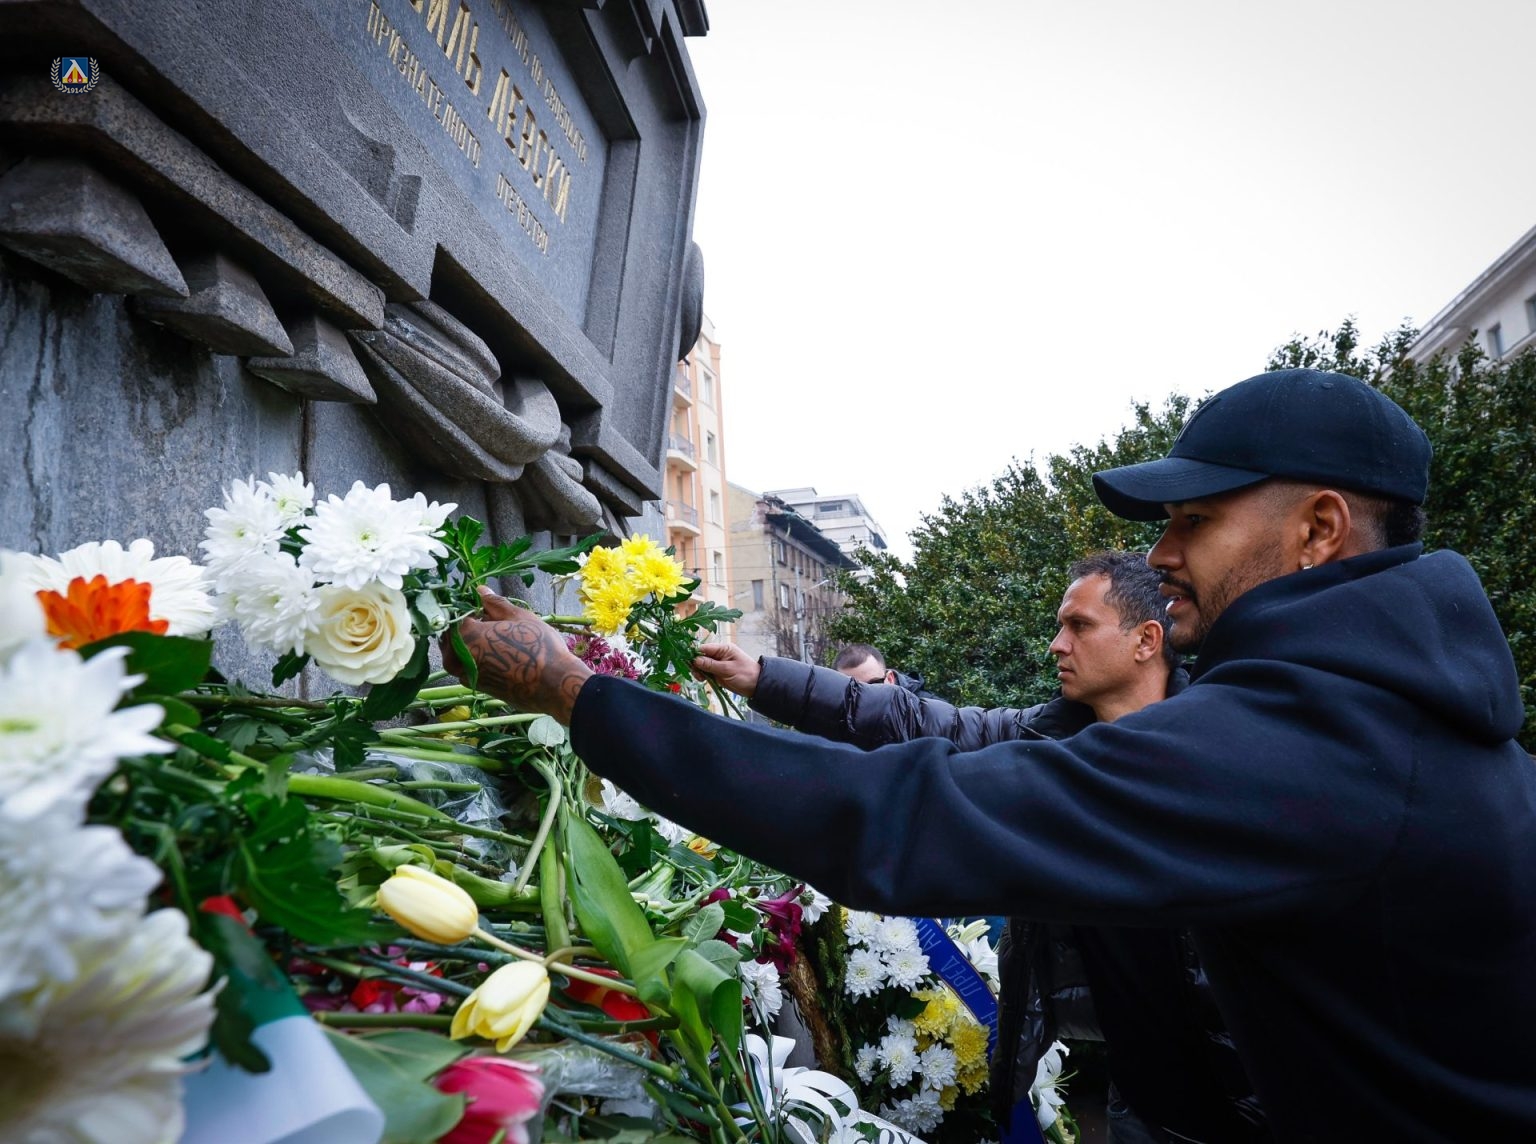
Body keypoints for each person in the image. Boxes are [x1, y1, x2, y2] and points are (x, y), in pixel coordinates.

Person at [445, 368, 1536, 1139]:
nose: (1162, 554)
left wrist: (579, 696)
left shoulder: (1308, 740)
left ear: (1319, 529)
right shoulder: (1392, 709)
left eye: (1194, 521)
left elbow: (910, 814)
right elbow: (931, 737)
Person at [701, 552, 1263, 1142]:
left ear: (1146, 640)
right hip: (1142, 1093)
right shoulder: (1047, 737)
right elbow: (911, 718)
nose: (1057, 645)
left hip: (1258, 1090)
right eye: (1060, 625)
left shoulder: (1223, 746)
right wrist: (763, 678)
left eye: (1079, 626)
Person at [832, 643, 935, 698]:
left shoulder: (925, 712)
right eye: (852, 690)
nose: (863, 697)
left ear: (890, 679)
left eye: (874, 685)